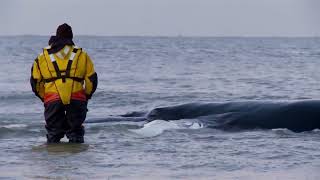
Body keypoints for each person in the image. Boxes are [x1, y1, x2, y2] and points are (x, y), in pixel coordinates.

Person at [30, 23, 98, 143]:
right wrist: (86, 96)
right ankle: (78, 160)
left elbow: (36, 83)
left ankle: (54, 158)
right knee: (76, 133)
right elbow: (91, 80)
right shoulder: (82, 55)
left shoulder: (42, 57)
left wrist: (45, 98)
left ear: (56, 36)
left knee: (53, 134)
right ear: (71, 37)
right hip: (77, 98)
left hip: (52, 98)